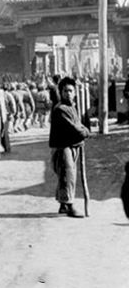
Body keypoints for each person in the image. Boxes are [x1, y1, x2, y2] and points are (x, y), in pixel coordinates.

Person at [49, 76, 89, 218]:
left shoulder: (72, 107)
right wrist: (85, 132)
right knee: (68, 175)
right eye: (65, 91)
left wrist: (83, 130)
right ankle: (70, 205)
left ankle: (63, 205)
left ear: (75, 92)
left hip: (71, 145)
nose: (68, 94)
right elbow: (75, 128)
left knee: (65, 176)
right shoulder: (61, 109)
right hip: (63, 147)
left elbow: (79, 124)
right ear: (60, 92)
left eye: (71, 91)